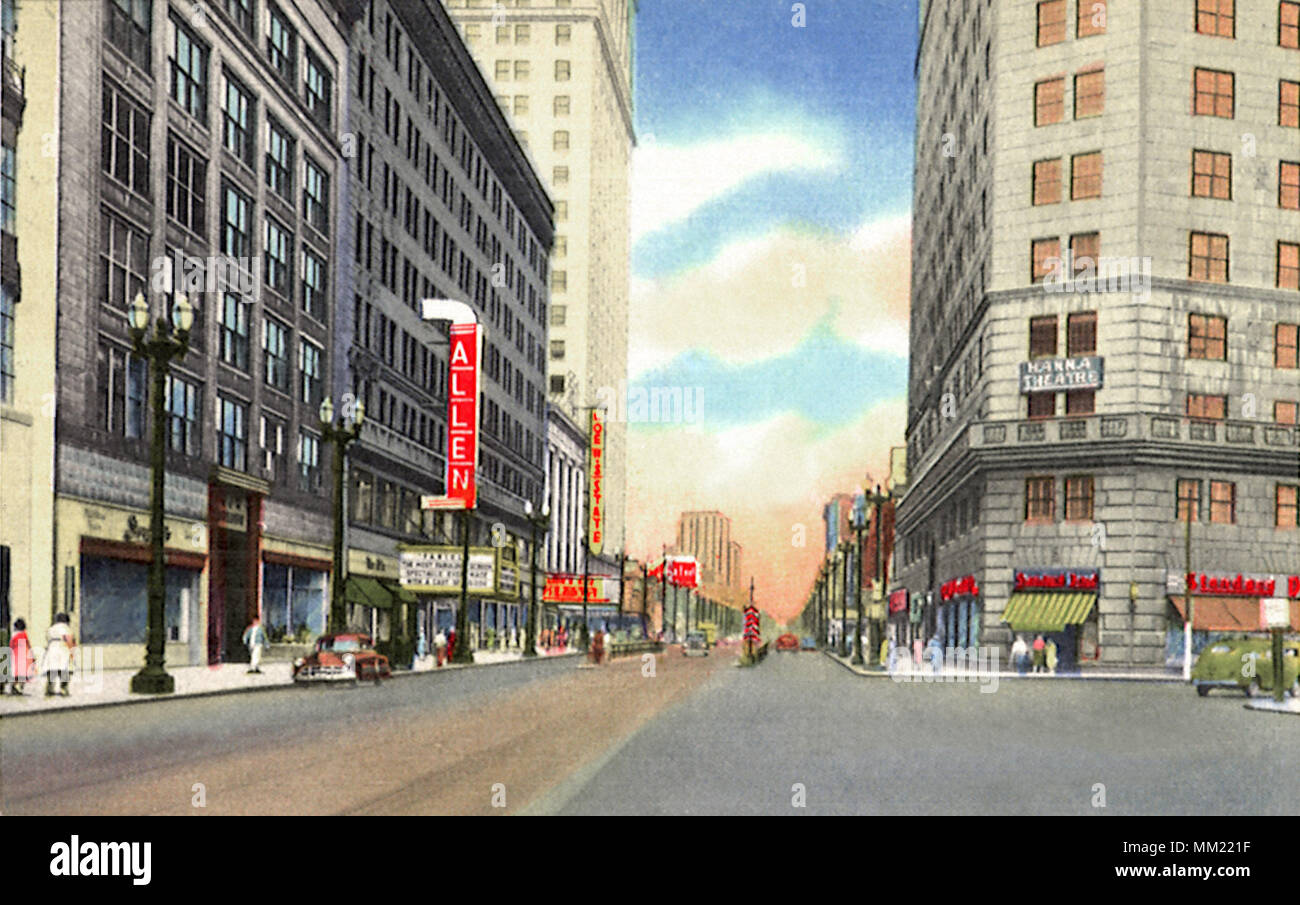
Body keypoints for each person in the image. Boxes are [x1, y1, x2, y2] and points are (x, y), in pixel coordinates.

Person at [43, 613, 75, 696]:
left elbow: (47, 638)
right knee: (64, 670)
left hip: (52, 648)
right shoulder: (66, 629)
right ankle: (63, 689)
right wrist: (72, 652)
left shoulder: (51, 628)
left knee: (52, 670)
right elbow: (69, 641)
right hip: (62, 648)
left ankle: (50, 688)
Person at [6, 618, 35, 695]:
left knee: (17, 672)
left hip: (16, 654)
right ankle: (18, 687)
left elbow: (11, 645)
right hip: (24, 654)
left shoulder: (14, 634)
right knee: (23, 673)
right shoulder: (24, 634)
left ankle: (14, 686)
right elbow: (28, 644)